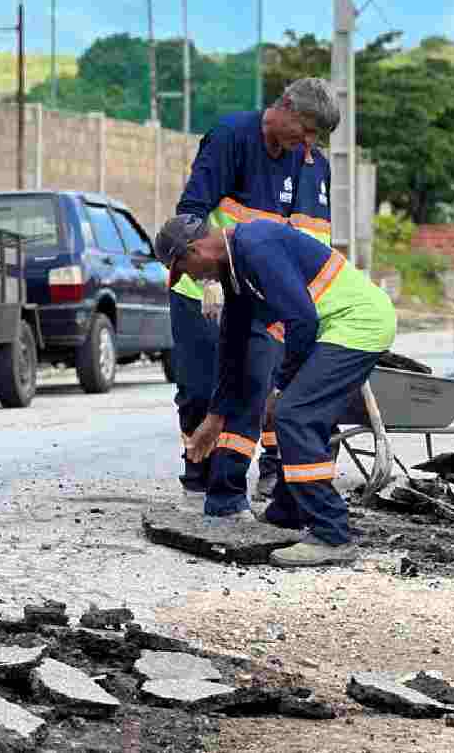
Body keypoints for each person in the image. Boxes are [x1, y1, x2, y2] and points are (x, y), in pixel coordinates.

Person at [156, 214, 396, 566]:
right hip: (333, 327)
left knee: (294, 415)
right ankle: (288, 511)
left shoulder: (256, 246)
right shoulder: (234, 269)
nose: (190, 278)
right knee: (299, 415)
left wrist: (282, 386)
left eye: (184, 268)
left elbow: (302, 319)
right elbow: (233, 347)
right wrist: (215, 416)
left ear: (195, 249)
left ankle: (331, 534)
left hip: (357, 323)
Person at [169, 79, 338, 519]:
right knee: (201, 389)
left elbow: (308, 241)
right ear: (284, 107)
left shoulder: (314, 165)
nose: (309, 143)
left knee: (259, 389)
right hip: (203, 287)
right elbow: (191, 211)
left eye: (316, 136)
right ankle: (198, 473)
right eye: (305, 130)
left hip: (260, 293)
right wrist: (209, 282)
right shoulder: (232, 137)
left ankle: (258, 478)